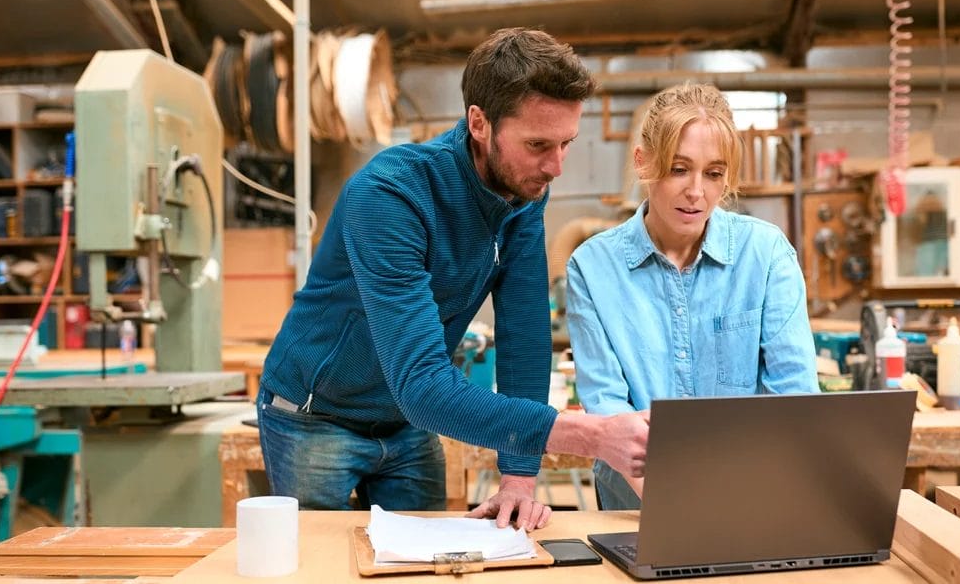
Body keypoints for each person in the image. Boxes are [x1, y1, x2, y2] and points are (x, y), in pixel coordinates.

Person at [258, 27, 650, 530]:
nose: (555, 167)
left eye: (566, 144)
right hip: (315, 417)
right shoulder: (390, 195)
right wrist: (590, 436)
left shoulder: (523, 193)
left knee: (425, 565)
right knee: (322, 566)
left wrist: (518, 477)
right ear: (479, 123)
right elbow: (422, 385)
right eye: (537, 144)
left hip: (407, 422)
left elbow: (524, 339)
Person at [565, 82, 819, 510]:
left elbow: (793, 398)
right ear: (643, 162)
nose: (697, 191)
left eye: (714, 173)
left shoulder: (766, 253)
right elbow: (609, 412)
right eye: (679, 169)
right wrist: (676, 512)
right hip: (637, 508)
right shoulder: (592, 268)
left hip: (751, 500)